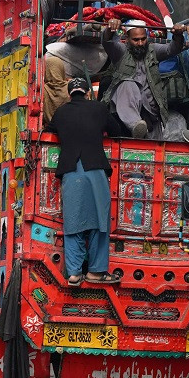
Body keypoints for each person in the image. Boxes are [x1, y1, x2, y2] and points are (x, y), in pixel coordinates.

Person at [46, 78, 122, 285]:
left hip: (71, 170)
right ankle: (96, 272)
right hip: (94, 168)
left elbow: (49, 130)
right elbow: (117, 131)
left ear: (70, 94)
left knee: (73, 223)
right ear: (88, 92)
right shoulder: (98, 108)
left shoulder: (61, 112)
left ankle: (74, 273)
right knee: (99, 221)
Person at [101, 19, 185, 138]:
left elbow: (172, 49)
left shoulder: (152, 50)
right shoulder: (120, 52)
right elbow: (107, 42)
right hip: (125, 110)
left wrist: (177, 34)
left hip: (150, 113)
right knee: (127, 83)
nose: (140, 43)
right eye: (136, 40)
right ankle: (135, 125)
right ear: (127, 39)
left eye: (143, 39)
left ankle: (142, 128)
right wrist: (110, 29)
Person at [42, 54, 70, 124]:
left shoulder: (43, 90)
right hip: (69, 128)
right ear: (61, 69)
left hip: (49, 129)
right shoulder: (70, 88)